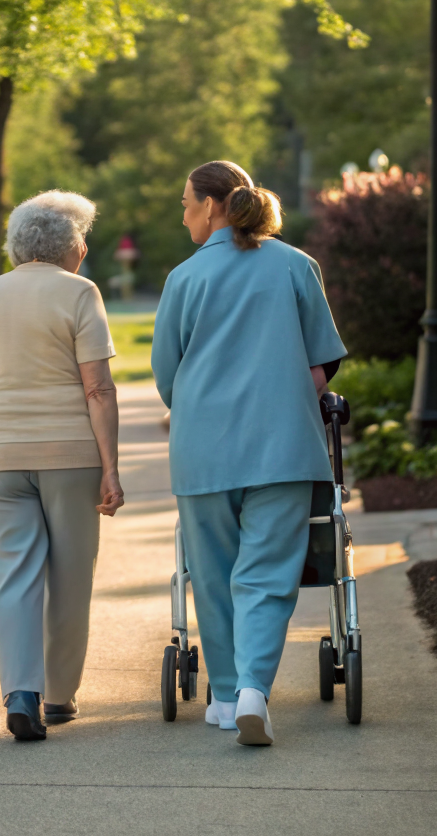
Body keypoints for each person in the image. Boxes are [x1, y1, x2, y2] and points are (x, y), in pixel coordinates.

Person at [151, 161, 345, 746]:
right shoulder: (296, 266)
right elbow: (320, 364)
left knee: (211, 575)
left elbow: (167, 375)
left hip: (204, 452)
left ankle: (229, 695)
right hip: (283, 446)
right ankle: (257, 689)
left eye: (186, 202)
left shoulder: (184, 278)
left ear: (212, 206)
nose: (182, 212)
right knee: (265, 576)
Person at [0, 190, 125, 742]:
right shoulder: (81, 293)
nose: (86, 248)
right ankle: (60, 697)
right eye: (83, 240)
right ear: (69, 247)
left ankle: (21, 691)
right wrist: (111, 469)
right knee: (70, 574)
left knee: (14, 575)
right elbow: (97, 387)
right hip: (69, 456)